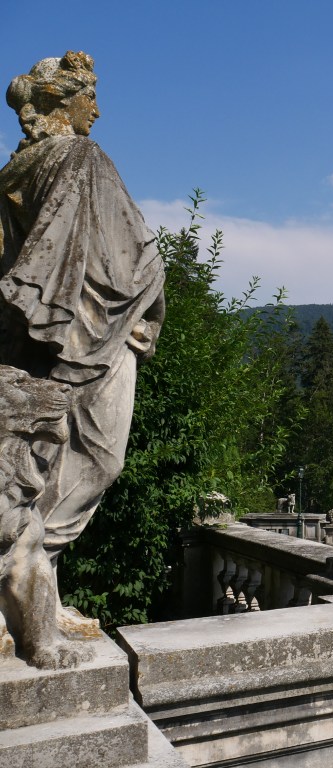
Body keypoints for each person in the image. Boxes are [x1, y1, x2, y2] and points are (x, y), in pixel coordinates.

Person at [0, 52, 165, 580]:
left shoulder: (18, 168)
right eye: (89, 98)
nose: (96, 110)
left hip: (45, 329)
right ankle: (27, 568)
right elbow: (117, 251)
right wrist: (145, 292)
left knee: (44, 457)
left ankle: (33, 583)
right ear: (61, 101)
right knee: (99, 458)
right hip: (95, 328)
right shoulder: (80, 157)